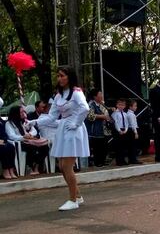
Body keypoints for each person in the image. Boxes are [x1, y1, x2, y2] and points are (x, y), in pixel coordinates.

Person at [33, 67, 89, 211]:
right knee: (61, 166)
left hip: (73, 129)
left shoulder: (76, 92)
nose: (59, 78)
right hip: (63, 128)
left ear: (69, 77)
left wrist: (76, 122)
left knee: (66, 166)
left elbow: (85, 108)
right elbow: (52, 117)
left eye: (62, 75)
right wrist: (35, 122)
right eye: (58, 76)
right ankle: (77, 196)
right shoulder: (58, 96)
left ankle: (72, 200)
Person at [6, 105, 49, 175]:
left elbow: (34, 130)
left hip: (29, 141)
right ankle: (30, 167)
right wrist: (23, 137)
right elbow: (11, 136)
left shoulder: (24, 122)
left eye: (24, 112)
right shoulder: (9, 124)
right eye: (21, 112)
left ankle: (36, 167)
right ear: (16, 113)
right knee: (31, 148)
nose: (23, 114)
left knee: (45, 147)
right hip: (19, 143)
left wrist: (30, 135)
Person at [86, 89, 111, 167]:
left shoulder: (101, 104)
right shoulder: (91, 104)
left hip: (104, 130)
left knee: (104, 147)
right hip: (95, 131)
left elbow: (107, 113)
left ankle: (102, 161)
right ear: (95, 96)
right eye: (100, 94)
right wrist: (101, 116)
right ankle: (98, 163)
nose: (101, 96)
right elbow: (90, 116)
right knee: (97, 147)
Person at [111, 99, 137, 166]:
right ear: (117, 105)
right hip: (117, 131)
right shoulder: (114, 114)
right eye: (119, 104)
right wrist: (119, 130)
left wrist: (125, 130)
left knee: (123, 146)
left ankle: (123, 160)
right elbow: (116, 123)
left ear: (125, 106)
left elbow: (126, 123)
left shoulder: (125, 114)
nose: (121, 106)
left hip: (124, 130)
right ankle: (119, 161)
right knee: (118, 146)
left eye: (123, 105)